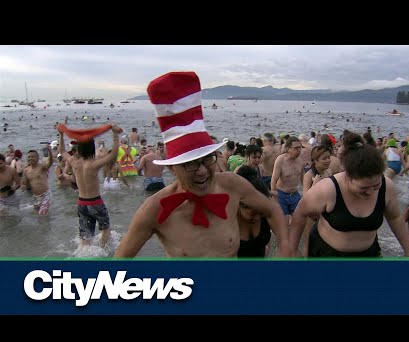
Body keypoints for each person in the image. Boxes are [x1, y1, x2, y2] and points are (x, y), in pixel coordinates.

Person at [114, 71, 289, 258]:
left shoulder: (232, 184)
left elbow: (271, 209)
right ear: (172, 168)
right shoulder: (155, 208)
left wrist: (286, 247)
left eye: (207, 159)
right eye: (191, 164)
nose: (203, 171)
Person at [288, 131, 409, 258]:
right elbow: (300, 213)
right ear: (347, 176)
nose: (370, 192)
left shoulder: (386, 186)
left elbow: (395, 218)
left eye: (376, 186)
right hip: (328, 254)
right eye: (364, 187)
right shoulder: (328, 188)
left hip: (369, 254)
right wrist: (293, 250)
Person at [58, 124, 121, 249]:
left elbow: (62, 151)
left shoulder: (74, 162)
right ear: (92, 149)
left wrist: (61, 135)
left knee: (85, 237)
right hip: (96, 202)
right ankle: (102, 251)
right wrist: (115, 135)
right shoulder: (95, 164)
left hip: (82, 204)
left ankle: (85, 256)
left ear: (79, 149)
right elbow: (113, 154)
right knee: (106, 230)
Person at [236, 166, 272, 258]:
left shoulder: (265, 213)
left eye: (261, 213)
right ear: (240, 203)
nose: (257, 217)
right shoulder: (228, 222)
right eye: (253, 213)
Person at [21, 146, 53, 215]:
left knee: (42, 215)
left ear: (37, 158)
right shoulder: (25, 171)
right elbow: (25, 183)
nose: (30, 158)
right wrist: (23, 186)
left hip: (46, 195)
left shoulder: (42, 167)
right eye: (29, 157)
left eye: (33, 157)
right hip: (35, 196)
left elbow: (50, 163)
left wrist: (50, 152)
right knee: (36, 214)